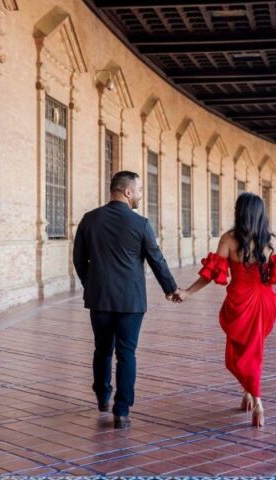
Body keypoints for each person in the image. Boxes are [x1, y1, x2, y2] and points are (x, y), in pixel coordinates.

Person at [73, 171, 185, 429]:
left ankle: (102, 396)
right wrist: (171, 289)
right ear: (127, 192)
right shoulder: (140, 224)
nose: (141, 195)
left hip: (99, 299)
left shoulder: (89, 220)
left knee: (102, 349)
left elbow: (79, 260)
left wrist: (91, 284)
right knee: (126, 354)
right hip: (131, 302)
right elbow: (156, 258)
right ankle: (121, 412)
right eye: (140, 190)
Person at [183, 192, 276, 428]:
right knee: (253, 350)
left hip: (239, 303)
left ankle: (257, 399)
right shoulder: (270, 241)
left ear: (239, 212)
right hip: (265, 302)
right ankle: (249, 392)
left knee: (237, 356)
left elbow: (211, 274)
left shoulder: (229, 240)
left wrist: (188, 292)